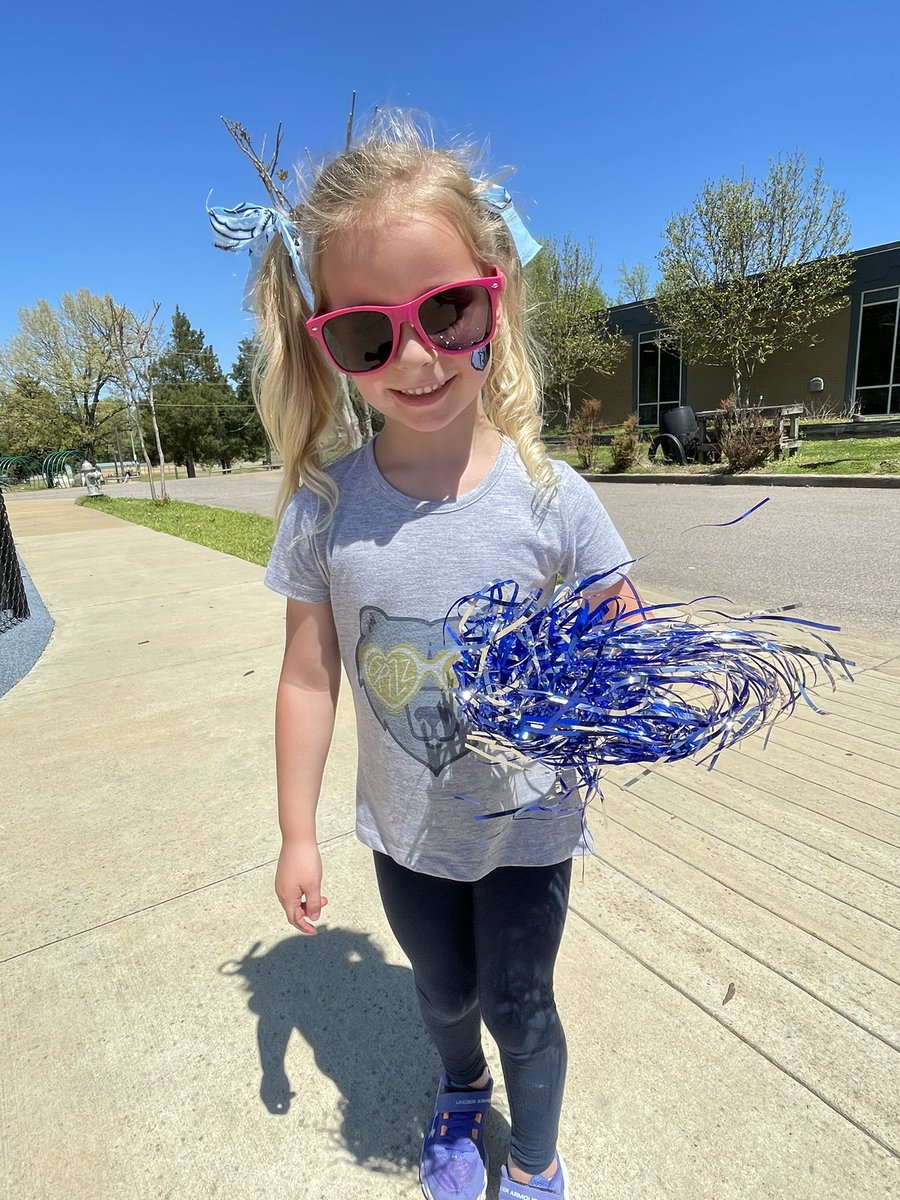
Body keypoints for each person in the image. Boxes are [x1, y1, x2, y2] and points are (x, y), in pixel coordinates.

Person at [222, 111, 637, 1200]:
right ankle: (460, 1092)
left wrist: (602, 670)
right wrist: (296, 834)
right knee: (446, 992)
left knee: (521, 1003)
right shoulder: (325, 511)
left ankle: (535, 1160)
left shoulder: (550, 495)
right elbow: (307, 676)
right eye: (369, 333)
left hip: (530, 823)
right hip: (404, 834)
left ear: (496, 298)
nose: (415, 356)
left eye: (447, 310)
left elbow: (620, 619)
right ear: (325, 344)